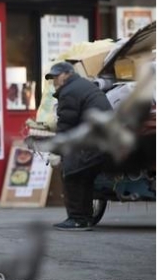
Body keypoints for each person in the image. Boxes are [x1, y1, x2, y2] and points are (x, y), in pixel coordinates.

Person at [45, 62, 112, 231]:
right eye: (52, 78)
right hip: (103, 139)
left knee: (71, 171)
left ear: (67, 74)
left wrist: (57, 151)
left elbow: (66, 125)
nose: (54, 81)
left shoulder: (70, 91)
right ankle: (85, 218)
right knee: (84, 176)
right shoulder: (81, 86)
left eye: (56, 76)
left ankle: (77, 219)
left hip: (93, 141)